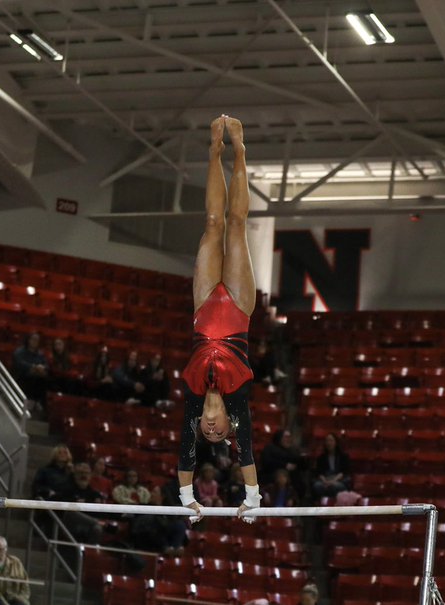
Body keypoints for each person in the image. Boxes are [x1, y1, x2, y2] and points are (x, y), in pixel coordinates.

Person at [177, 116, 261, 524]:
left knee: (212, 224)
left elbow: (184, 452)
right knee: (236, 227)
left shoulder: (194, 400)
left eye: (206, 432)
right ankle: (240, 149)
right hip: (238, 310)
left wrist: (186, 498)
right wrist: (252, 497)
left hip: (204, 307)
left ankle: (214, 150)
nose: (210, 427)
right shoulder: (239, 401)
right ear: (228, 423)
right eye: (217, 430)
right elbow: (245, 448)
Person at [11, 332, 49, 406]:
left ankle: (39, 405)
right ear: (28, 340)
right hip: (22, 377)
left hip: (37, 377)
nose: (35, 342)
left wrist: (42, 368)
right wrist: (33, 367)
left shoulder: (40, 354)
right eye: (33, 339)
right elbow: (19, 364)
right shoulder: (20, 352)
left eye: (37, 340)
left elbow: (46, 365)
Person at [312, 432, 352, 498]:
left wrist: (333, 481)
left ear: (336, 442)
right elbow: (319, 472)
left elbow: (344, 472)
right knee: (317, 486)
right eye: (327, 441)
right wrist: (325, 481)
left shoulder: (343, 456)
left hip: (338, 479)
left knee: (335, 486)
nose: (329, 443)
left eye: (331, 440)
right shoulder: (321, 457)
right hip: (325, 480)